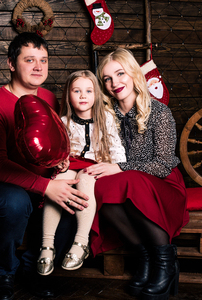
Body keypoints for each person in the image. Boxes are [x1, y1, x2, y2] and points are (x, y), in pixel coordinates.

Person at [0, 32, 89, 300]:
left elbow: (58, 143)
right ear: (11, 64)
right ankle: (4, 272)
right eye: (29, 60)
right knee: (13, 203)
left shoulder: (49, 97)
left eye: (44, 60)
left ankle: (34, 270)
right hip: (3, 187)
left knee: (74, 203)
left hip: (45, 183)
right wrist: (46, 186)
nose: (38, 67)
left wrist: (63, 161)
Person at [86, 48, 189, 299]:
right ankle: (144, 256)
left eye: (120, 74)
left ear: (133, 74)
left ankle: (165, 261)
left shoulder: (159, 112)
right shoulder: (106, 115)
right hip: (127, 184)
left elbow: (164, 165)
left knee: (127, 180)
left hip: (164, 185)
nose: (115, 83)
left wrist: (121, 167)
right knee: (101, 186)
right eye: (108, 79)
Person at [37, 70, 126, 276]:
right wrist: (60, 161)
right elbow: (57, 149)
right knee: (60, 183)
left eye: (88, 91)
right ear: (68, 94)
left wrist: (116, 165)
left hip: (94, 165)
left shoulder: (106, 120)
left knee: (86, 180)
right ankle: (47, 245)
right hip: (71, 164)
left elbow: (117, 150)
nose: (83, 96)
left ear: (96, 95)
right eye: (77, 91)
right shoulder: (62, 121)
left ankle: (81, 241)